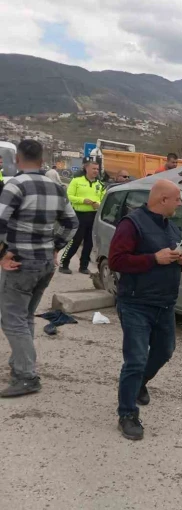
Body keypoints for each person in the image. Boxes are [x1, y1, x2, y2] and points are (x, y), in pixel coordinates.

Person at [108, 180, 182, 440]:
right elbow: (116, 261)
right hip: (136, 304)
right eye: (177, 199)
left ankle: (140, 382)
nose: (180, 203)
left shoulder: (170, 226)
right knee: (136, 359)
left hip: (165, 304)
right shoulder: (132, 224)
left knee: (165, 351)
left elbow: (170, 260)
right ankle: (127, 414)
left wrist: (181, 261)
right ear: (163, 200)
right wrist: (154, 258)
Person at [0, 140, 78, 397]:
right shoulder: (57, 187)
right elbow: (72, 223)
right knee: (25, 317)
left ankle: (26, 376)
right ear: (42, 160)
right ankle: (20, 366)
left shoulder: (16, 185)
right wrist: (56, 247)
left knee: (12, 320)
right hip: (45, 263)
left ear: (18, 159)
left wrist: (2, 255)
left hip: (21, 263)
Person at [59, 160, 105, 275]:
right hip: (79, 215)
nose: (96, 171)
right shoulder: (77, 181)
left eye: (97, 169)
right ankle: (64, 263)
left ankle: (83, 266)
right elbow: (69, 196)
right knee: (75, 241)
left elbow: (103, 199)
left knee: (89, 243)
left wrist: (98, 204)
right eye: (94, 168)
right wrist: (83, 200)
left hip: (94, 216)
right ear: (86, 169)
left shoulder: (100, 184)